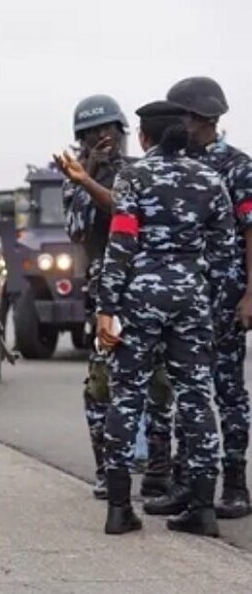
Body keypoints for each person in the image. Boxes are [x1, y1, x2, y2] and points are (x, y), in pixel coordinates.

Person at [95, 120, 231, 538]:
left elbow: (121, 243)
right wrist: (215, 305)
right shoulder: (210, 179)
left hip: (141, 298)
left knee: (127, 395)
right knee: (196, 398)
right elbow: (224, 253)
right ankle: (203, 509)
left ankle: (119, 509)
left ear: (144, 137)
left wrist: (106, 307)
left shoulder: (134, 176)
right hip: (192, 298)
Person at [53, 96, 174, 500]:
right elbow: (77, 230)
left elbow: (145, 220)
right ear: (81, 139)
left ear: (122, 132)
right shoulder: (74, 178)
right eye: (92, 132)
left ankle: (158, 471)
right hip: (106, 293)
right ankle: (107, 471)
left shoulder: (140, 172)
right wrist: (86, 176)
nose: (102, 137)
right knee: (101, 386)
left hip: (149, 288)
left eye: (108, 129)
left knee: (158, 382)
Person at [148, 77, 252, 521]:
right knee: (186, 389)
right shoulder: (176, 163)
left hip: (225, 298)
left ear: (200, 118)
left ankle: (235, 484)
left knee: (227, 391)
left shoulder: (237, 167)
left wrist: (249, 295)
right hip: (185, 297)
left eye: (182, 118)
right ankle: (187, 483)